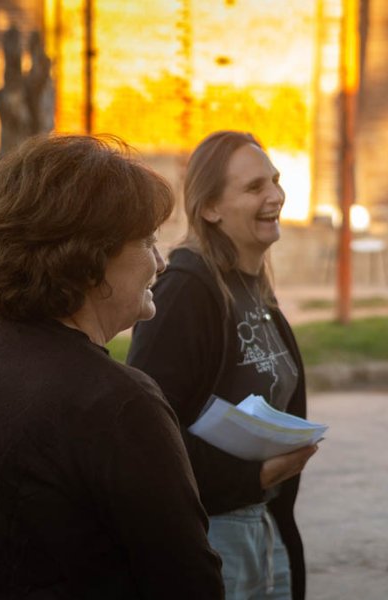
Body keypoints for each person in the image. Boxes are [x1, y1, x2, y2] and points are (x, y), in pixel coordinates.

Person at [0, 135, 224, 598]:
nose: (160, 263)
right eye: (147, 242)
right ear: (89, 260)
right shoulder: (116, 403)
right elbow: (187, 580)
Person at [127, 131, 317, 600]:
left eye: (275, 180)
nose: (275, 196)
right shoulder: (185, 290)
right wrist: (254, 477)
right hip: (214, 536)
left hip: (266, 526)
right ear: (210, 207)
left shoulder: (251, 283)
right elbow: (146, 436)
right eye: (254, 187)